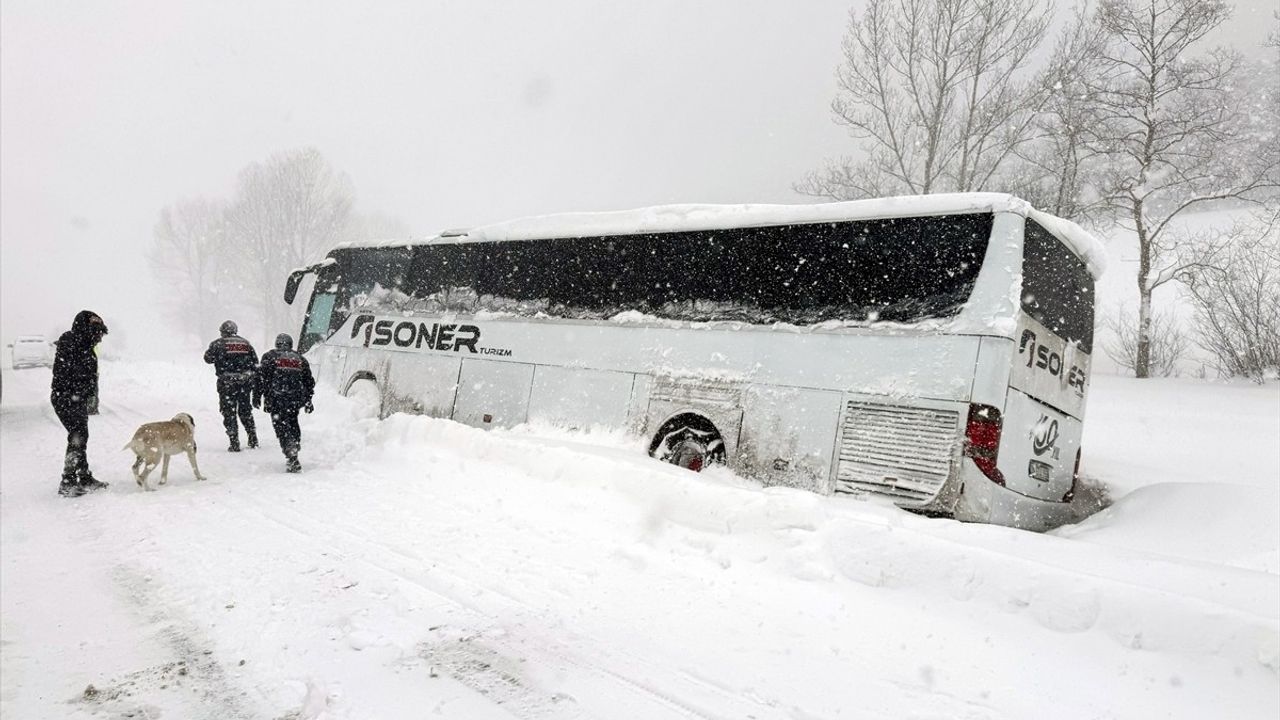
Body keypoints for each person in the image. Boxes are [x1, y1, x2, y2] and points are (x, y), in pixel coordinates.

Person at [50, 310, 110, 497]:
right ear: (88, 331)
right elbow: (66, 373)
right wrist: (79, 390)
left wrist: (87, 393)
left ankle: (83, 477)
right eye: (98, 333)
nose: (100, 338)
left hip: (76, 398)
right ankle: (67, 481)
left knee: (80, 435)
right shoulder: (71, 343)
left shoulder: (85, 346)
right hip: (66, 398)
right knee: (78, 436)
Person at [254, 333, 315, 473]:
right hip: (295, 399)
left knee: (281, 426)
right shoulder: (300, 359)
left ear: (277, 343)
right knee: (293, 421)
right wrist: (308, 400)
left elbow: (261, 378)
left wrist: (257, 396)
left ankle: (291, 453)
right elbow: (309, 382)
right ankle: (295, 444)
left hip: (277, 398)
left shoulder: (270, 356)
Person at [203, 320, 260, 452]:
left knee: (229, 412)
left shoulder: (218, 344)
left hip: (227, 384)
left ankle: (234, 442)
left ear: (223, 331)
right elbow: (255, 364)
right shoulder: (246, 344)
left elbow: (207, 359)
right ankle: (253, 438)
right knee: (245, 411)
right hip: (244, 383)